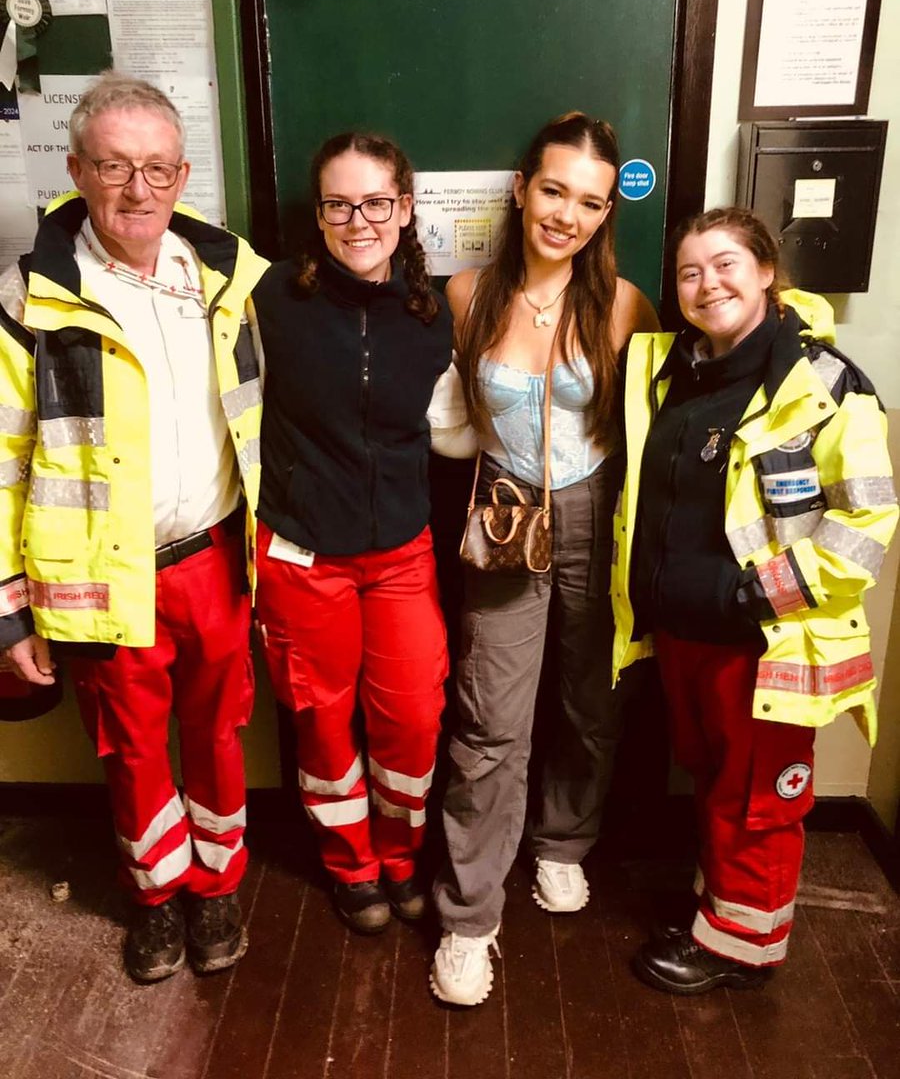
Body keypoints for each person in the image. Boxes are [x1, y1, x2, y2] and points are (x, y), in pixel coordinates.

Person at [0, 73, 270, 983]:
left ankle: (218, 885)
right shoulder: (27, 298)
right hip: (102, 578)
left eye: (157, 167)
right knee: (130, 747)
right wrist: (8, 614)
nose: (137, 188)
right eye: (114, 165)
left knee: (220, 735)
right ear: (76, 169)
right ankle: (155, 896)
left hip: (218, 562)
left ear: (184, 173)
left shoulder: (230, 275)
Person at [612, 207, 897, 994]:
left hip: (766, 640)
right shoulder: (669, 371)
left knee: (759, 799)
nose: (709, 284)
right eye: (691, 272)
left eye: (727, 263)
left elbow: (867, 520)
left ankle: (744, 951)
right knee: (715, 782)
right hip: (681, 635)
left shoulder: (826, 383)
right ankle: (726, 914)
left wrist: (757, 594)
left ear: (767, 270)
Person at [429, 111, 658, 1006]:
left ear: (605, 215)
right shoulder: (466, 294)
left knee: (591, 699)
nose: (567, 214)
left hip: (599, 513)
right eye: (554, 190)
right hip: (505, 510)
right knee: (489, 717)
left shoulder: (627, 303)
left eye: (590, 202)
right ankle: (469, 915)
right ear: (522, 188)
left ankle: (563, 843)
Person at [253, 132, 452, 934]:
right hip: (302, 554)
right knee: (321, 719)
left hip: (402, 553)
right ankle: (352, 868)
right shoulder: (270, 299)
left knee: (412, 715)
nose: (358, 220)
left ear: (404, 209)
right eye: (340, 203)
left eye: (376, 202)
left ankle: (402, 858)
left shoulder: (434, 311)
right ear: (320, 212)